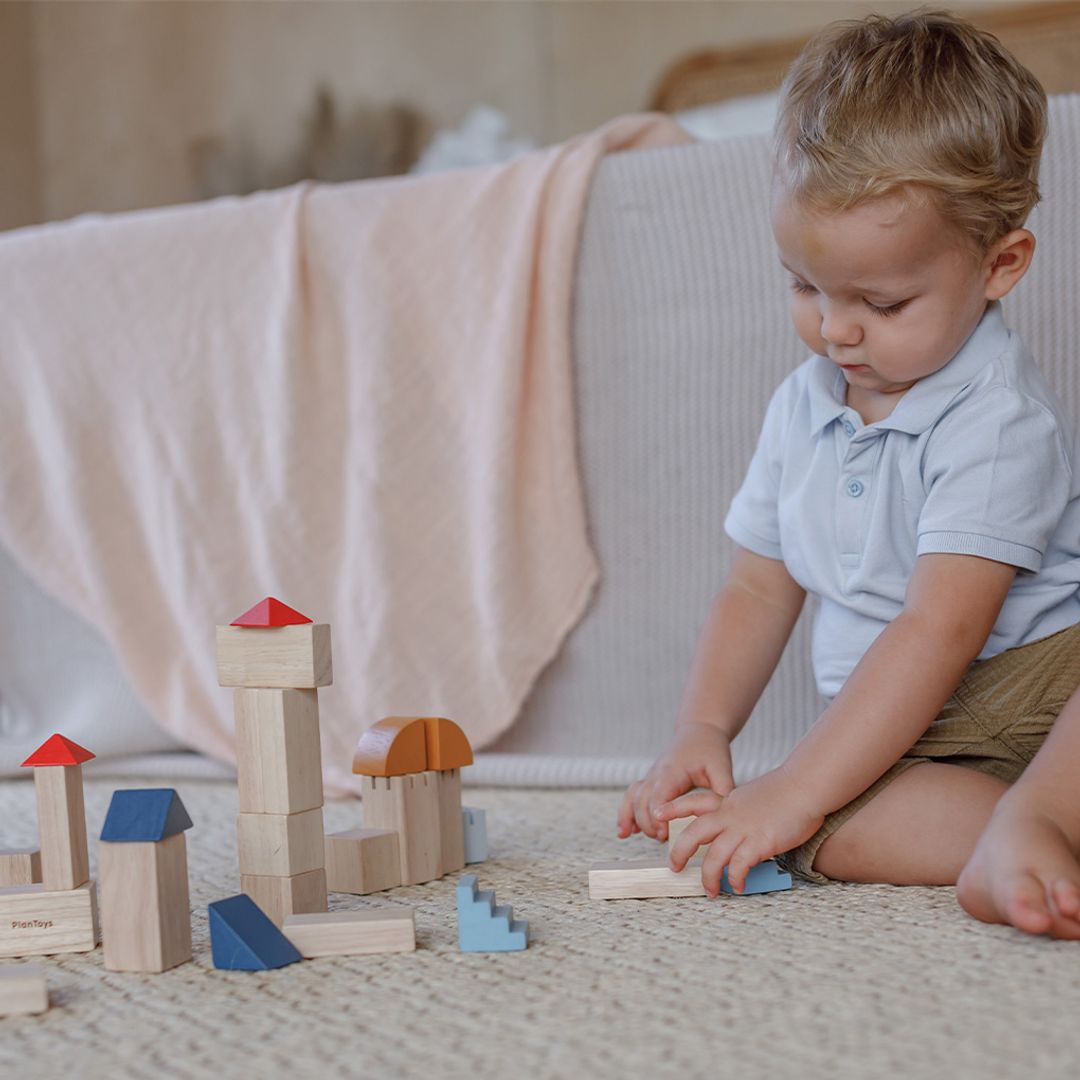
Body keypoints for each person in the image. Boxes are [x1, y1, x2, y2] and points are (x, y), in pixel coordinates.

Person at [618, 7, 1080, 939]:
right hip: (913, 728)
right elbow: (757, 585)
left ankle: (1041, 816)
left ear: (1001, 264)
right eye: (805, 286)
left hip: (1036, 682)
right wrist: (705, 733)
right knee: (810, 833)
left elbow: (939, 628)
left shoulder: (995, 420)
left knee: (799, 797)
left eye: (882, 300)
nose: (836, 329)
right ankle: (1017, 840)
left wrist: (793, 785)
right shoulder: (806, 403)